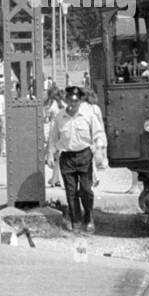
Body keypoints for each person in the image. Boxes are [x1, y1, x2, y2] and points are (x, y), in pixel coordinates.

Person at [48, 85, 108, 233]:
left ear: (80, 101)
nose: (72, 103)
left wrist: (99, 150)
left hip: (84, 155)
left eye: (75, 101)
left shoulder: (88, 115)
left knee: (86, 190)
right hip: (67, 157)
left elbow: (99, 134)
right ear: (66, 100)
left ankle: (88, 217)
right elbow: (53, 138)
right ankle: (76, 221)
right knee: (71, 191)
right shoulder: (60, 117)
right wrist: (50, 154)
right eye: (70, 100)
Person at [44, 87, 65, 186]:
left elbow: (46, 119)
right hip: (63, 130)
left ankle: (55, 179)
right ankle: (55, 179)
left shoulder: (52, 105)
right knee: (58, 156)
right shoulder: (64, 104)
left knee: (54, 156)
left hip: (54, 131)